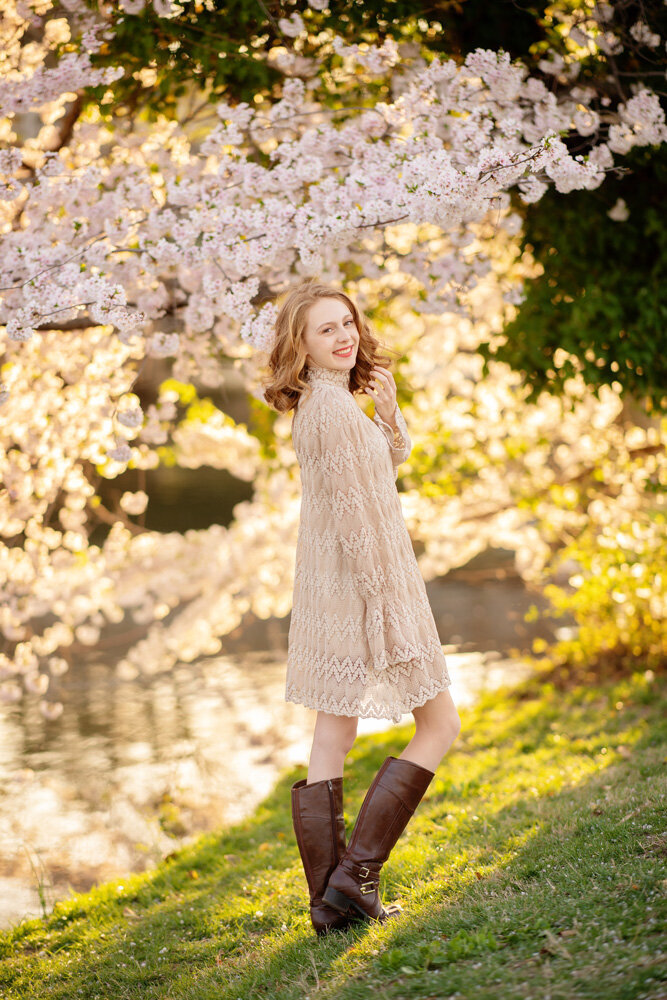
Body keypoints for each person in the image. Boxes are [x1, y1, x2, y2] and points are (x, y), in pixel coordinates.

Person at [262, 278, 461, 936]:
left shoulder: (331, 406)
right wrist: (385, 612)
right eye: (325, 329)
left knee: (335, 732)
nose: (344, 336)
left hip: (334, 590)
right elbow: (357, 525)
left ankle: (330, 905)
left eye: (346, 322)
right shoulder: (327, 412)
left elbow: (383, 471)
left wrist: (390, 413)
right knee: (439, 726)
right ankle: (357, 876)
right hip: (368, 589)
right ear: (302, 345)